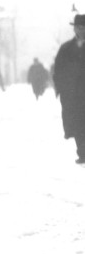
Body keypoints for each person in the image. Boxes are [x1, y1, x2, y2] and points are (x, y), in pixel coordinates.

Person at [53, 13, 85, 164]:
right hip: (73, 95)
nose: (82, 30)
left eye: (84, 27)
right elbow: (58, 70)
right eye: (79, 27)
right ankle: (82, 152)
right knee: (78, 122)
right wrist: (60, 88)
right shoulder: (66, 49)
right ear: (75, 29)